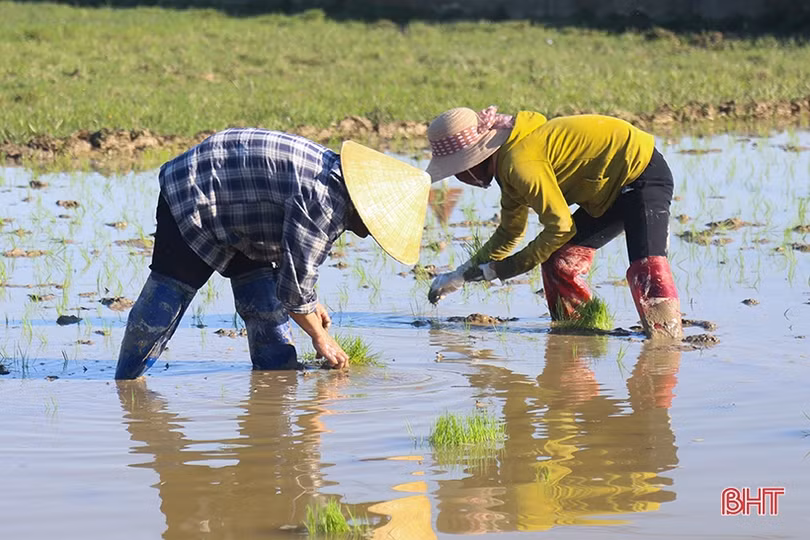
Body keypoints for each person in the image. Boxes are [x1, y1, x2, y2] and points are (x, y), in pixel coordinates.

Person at [115, 128, 430, 379]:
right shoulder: (324, 200)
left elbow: (296, 265)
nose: (371, 233)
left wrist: (310, 302)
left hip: (246, 211)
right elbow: (296, 287)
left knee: (266, 308)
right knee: (168, 298)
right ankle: (127, 382)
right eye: (376, 226)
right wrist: (320, 337)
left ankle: (274, 384)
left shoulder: (335, 184)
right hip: (197, 189)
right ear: (367, 208)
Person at [425, 106, 682, 339]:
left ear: (476, 160)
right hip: (608, 191)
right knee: (559, 262)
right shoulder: (507, 164)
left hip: (642, 173)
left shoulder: (520, 163)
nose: (459, 177)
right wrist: (462, 274)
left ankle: (666, 347)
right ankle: (579, 336)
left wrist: (499, 270)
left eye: (457, 170)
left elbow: (559, 226)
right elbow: (509, 232)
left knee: (648, 269)